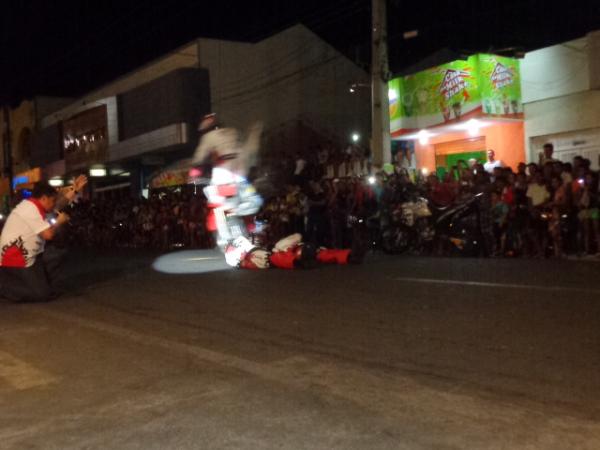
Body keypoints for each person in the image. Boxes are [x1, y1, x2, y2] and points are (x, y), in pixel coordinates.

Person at [0, 177, 87, 302]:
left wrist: (75, 190)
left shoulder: (35, 205)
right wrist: (58, 222)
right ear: (44, 198)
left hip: (29, 255)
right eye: (52, 201)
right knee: (40, 295)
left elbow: (59, 203)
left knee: (57, 253)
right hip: (16, 258)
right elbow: (48, 235)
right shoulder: (31, 209)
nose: (54, 204)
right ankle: (4, 287)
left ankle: (43, 284)